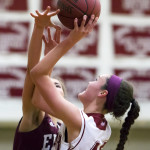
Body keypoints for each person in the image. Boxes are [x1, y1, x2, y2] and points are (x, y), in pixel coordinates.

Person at [30, 14, 140, 150]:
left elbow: (37, 74)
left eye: (96, 80)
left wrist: (71, 39)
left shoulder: (81, 121)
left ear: (102, 93)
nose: (89, 82)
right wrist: (49, 56)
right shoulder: (100, 126)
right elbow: (38, 101)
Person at [13, 6, 64, 150]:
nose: (50, 87)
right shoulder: (35, 116)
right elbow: (33, 73)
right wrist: (38, 27)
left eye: (57, 86)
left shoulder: (64, 126)